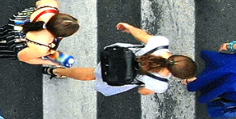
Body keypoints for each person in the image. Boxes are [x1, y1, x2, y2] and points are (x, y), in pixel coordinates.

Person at [44, 21, 196, 96]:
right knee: (91, 75)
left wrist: (129, 28)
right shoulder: (161, 84)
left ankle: (56, 69)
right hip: (118, 75)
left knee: (93, 71)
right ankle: (58, 71)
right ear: (175, 75)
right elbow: (142, 91)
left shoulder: (161, 44)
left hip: (118, 55)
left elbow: (143, 35)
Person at [0, 0, 80, 69]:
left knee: (2, 31)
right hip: (18, 42)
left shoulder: (50, 6)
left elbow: (39, 2)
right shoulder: (42, 48)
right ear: (60, 35)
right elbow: (23, 57)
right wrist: (50, 61)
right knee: (5, 50)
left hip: (17, 25)